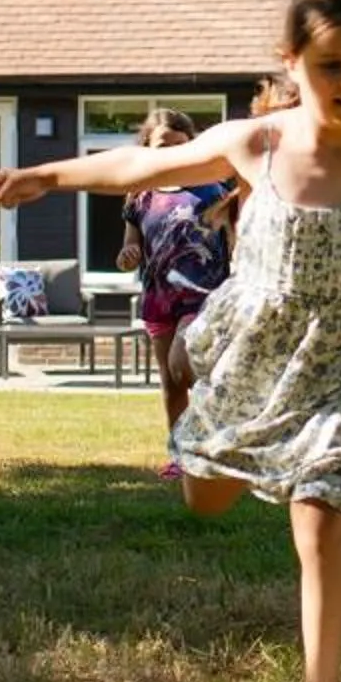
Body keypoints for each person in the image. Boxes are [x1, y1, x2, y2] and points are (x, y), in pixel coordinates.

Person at [0, 0, 341, 682]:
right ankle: (200, 425)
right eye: (333, 64)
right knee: (207, 497)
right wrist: (47, 174)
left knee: (323, 511)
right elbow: (143, 167)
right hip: (254, 350)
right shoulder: (255, 145)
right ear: (293, 64)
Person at [117, 108, 233, 474]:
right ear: (147, 149)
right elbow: (128, 251)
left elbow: (233, 236)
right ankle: (181, 457)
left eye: (180, 145)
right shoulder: (140, 197)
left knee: (181, 366)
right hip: (157, 298)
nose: (172, 152)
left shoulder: (212, 189)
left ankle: (218, 438)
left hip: (202, 293)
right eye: (163, 145)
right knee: (170, 383)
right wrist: (127, 255)